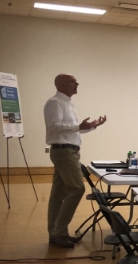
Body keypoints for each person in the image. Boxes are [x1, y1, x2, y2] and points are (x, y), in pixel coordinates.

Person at [44, 74, 107, 248]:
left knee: (58, 194)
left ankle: (55, 233)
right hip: (63, 152)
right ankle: (59, 232)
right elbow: (54, 127)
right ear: (61, 84)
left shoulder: (68, 104)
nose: (77, 83)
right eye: (73, 81)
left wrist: (91, 126)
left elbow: (71, 131)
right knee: (77, 188)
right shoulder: (55, 102)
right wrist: (79, 126)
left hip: (69, 150)